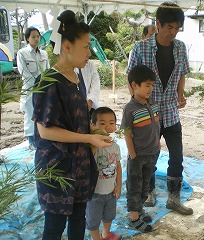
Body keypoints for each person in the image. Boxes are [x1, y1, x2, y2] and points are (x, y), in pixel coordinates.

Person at [32, 10, 113, 240]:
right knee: (54, 227)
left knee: (79, 221)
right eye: (86, 47)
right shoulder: (48, 81)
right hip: (56, 168)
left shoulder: (77, 78)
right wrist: (88, 138)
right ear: (67, 47)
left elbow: (77, 121)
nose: (90, 52)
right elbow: (45, 130)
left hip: (79, 166)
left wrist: (94, 131)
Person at [127, 2, 193, 215]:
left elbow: (182, 72)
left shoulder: (180, 47)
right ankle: (149, 192)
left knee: (177, 156)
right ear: (158, 24)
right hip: (148, 115)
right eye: (169, 27)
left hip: (171, 112)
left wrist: (180, 94)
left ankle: (174, 198)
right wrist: (137, 106)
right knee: (149, 156)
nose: (173, 32)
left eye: (177, 28)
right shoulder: (141, 48)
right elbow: (131, 79)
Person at [121, 64, 160, 232]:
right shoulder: (130, 109)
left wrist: (158, 144)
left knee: (145, 185)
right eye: (147, 85)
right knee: (134, 186)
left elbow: (156, 127)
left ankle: (139, 209)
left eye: (152, 85)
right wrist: (133, 154)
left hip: (153, 153)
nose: (150, 89)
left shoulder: (153, 103)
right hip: (138, 156)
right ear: (134, 85)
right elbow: (127, 133)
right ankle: (133, 218)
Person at [86, 107, 122, 240]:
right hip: (95, 193)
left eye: (111, 123)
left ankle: (106, 234)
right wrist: (96, 140)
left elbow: (118, 167)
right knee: (93, 220)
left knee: (109, 216)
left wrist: (118, 186)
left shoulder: (116, 147)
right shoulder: (93, 147)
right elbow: (90, 158)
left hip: (111, 191)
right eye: (102, 123)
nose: (108, 127)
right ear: (93, 125)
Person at [17, 26, 50, 150]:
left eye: (38, 36)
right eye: (33, 37)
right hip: (30, 89)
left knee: (42, 114)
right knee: (30, 115)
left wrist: (45, 85)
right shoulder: (22, 53)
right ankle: (31, 141)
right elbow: (24, 72)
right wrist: (37, 84)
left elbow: (47, 70)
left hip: (43, 89)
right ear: (27, 39)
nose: (36, 39)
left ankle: (41, 138)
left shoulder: (44, 54)